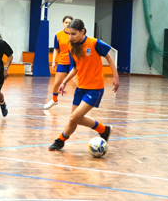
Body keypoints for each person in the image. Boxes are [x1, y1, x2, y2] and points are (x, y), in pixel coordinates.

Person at [48, 19, 120, 151]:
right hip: (81, 87)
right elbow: (75, 68)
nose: (71, 37)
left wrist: (115, 76)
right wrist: (64, 82)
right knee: (77, 119)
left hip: (95, 89)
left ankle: (60, 140)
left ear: (83, 31)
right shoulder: (71, 47)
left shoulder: (94, 43)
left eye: (74, 34)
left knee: (73, 118)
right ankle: (104, 130)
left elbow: (109, 57)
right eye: (69, 34)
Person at [44, 15, 73, 110]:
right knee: (56, 83)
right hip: (62, 62)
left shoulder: (75, 34)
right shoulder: (58, 35)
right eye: (66, 22)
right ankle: (54, 100)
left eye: (70, 22)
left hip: (74, 63)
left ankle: (79, 102)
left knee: (76, 83)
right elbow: (56, 49)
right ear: (63, 23)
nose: (68, 24)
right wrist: (53, 62)